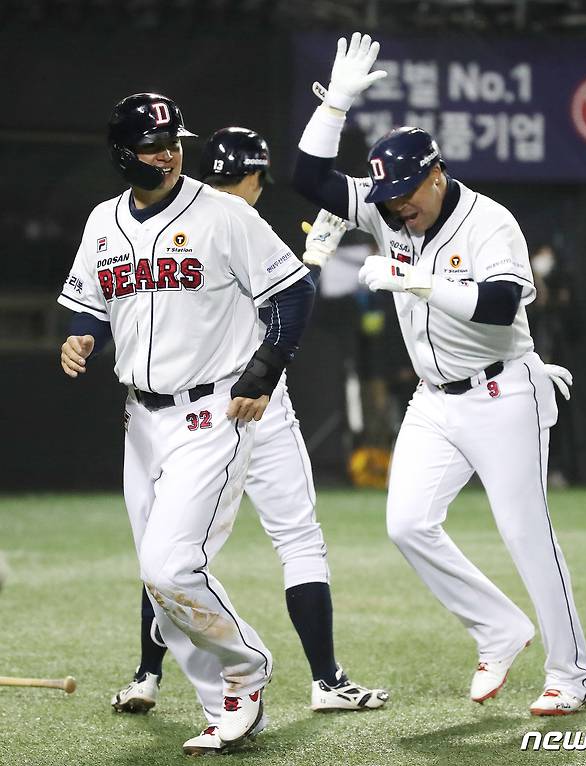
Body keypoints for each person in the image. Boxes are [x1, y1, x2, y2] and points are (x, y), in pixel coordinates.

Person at [293, 33, 586, 716]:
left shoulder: (491, 222)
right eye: (389, 197)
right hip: (435, 401)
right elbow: (308, 180)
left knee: (526, 532)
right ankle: (497, 628)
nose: (399, 207)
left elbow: (497, 307)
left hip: (502, 389)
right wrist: (336, 104)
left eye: (409, 192)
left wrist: (417, 280)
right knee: (406, 525)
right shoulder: (385, 205)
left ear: (438, 173)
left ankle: (571, 674)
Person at [110, 128, 388, 748]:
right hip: (240, 404)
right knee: (276, 538)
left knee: (167, 544)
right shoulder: (226, 221)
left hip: (208, 405)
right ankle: (324, 678)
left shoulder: (193, 219)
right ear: (256, 177)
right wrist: (312, 261)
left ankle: (149, 672)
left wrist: (307, 263)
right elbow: (276, 304)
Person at [58, 93, 316, 753]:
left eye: (174, 141)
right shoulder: (103, 221)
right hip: (139, 420)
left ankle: (247, 670)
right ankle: (224, 708)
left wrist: (264, 371)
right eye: (153, 145)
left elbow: (293, 291)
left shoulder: (223, 214)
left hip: (212, 410)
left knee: (173, 567)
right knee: (159, 578)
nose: (169, 154)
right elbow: (91, 300)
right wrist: (82, 336)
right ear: (123, 153)